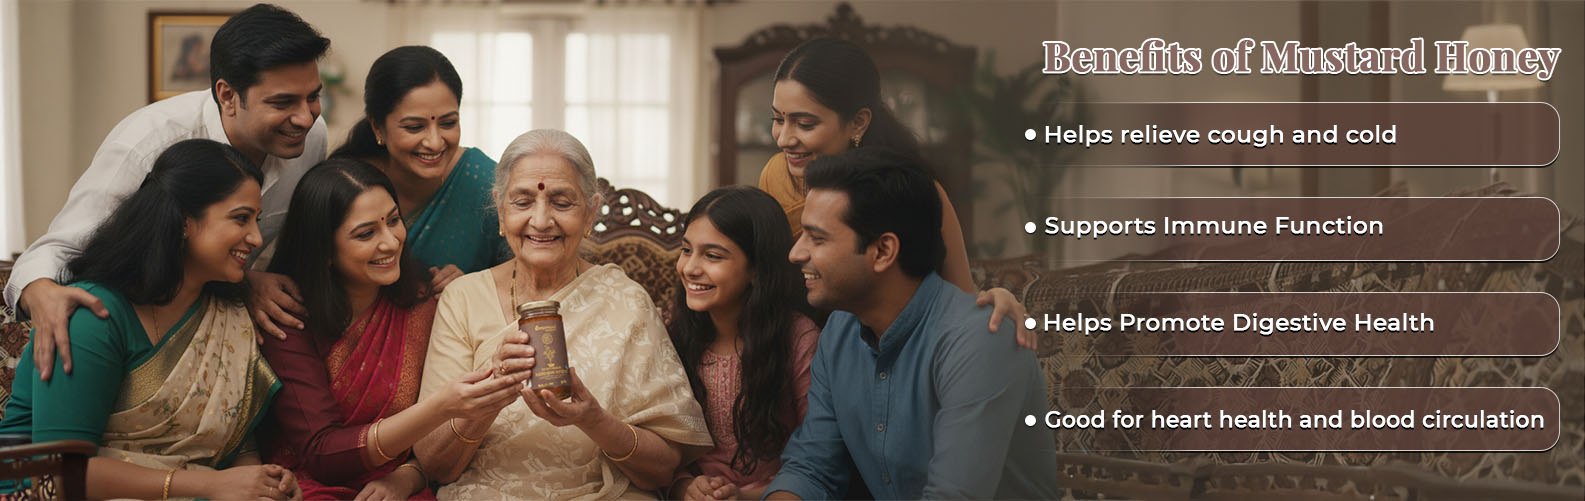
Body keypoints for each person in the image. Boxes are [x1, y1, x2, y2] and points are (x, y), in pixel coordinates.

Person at [6, 2, 331, 379]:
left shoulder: (310, 138)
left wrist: (245, 282)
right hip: (131, 341)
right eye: (283, 102)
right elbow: (56, 252)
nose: (305, 117)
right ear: (227, 95)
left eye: (312, 97)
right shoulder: (146, 144)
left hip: (228, 337)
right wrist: (41, 293)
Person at [414, 129, 711, 499]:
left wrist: (594, 421)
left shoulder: (626, 301)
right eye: (523, 202)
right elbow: (433, 464)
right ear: (500, 211)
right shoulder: (463, 299)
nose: (541, 220)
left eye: (561, 202)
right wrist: (490, 395)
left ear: (590, 213)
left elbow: (664, 468)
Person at [0, 139, 299, 500]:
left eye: (257, 220)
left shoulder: (228, 314)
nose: (255, 238)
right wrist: (210, 484)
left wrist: (263, 486)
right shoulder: (92, 317)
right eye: (240, 218)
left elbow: (235, 444)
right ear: (184, 221)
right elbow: (58, 471)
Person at [764, 149, 1059, 500]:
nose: (795, 253)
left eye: (817, 238)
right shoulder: (839, 332)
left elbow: (951, 496)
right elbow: (811, 468)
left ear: (883, 251)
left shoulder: (981, 337)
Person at [259, 159, 526, 499]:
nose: (391, 242)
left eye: (394, 220)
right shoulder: (288, 316)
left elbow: (434, 447)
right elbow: (322, 452)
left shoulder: (425, 302)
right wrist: (440, 407)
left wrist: (410, 476)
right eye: (366, 233)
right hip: (306, 485)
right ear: (324, 249)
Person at [758, 37, 1036, 349]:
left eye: (805, 124)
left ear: (858, 123)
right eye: (778, 119)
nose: (783, 138)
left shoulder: (913, 191)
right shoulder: (775, 175)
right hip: (795, 353)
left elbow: (960, 295)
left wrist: (999, 300)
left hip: (894, 354)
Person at [666, 187, 820, 500]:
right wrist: (684, 486)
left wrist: (745, 496)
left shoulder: (799, 338)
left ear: (756, 269)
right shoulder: (673, 332)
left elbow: (818, 450)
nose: (691, 268)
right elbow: (659, 437)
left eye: (712, 255)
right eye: (686, 250)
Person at [332, 45, 510, 291]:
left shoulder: (485, 181)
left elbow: (527, 279)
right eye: (414, 127)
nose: (435, 142)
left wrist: (476, 288)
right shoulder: (345, 185)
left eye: (448, 123)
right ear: (378, 128)